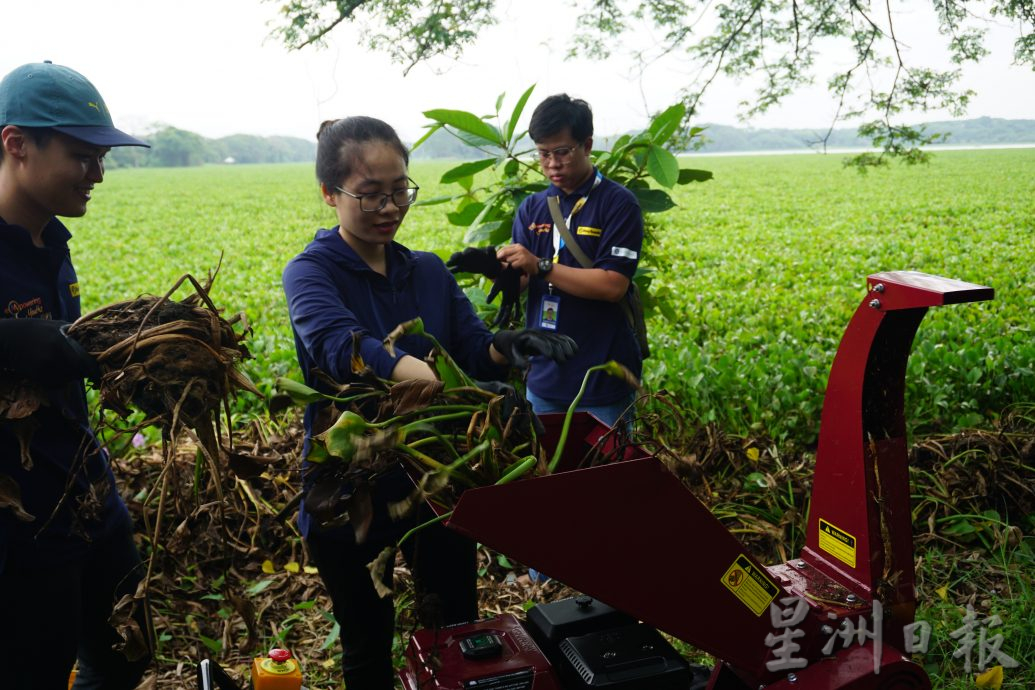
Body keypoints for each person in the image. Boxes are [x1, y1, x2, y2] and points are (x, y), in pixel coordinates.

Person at [281, 116, 575, 689]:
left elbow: (470, 346)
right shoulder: (310, 273)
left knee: (457, 634)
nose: (390, 207)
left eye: (400, 190)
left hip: (436, 484)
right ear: (329, 194)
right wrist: (448, 389)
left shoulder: (429, 272)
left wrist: (507, 347)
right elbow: (348, 349)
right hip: (350, 493)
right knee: (367, 645)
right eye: (370, 195)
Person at [0, 61, 151, 689]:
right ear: (16, 144)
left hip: (92, 499)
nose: (97, 173)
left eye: (101, 156)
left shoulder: (51, 240)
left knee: (125, 656)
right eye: (82, 155)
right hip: (21, 531)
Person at [449, 94, 644, 428]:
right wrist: (497, 268)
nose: (552, 163)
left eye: (562, 152)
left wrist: (541, 265)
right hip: (543, 378)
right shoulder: (532, 208)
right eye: (543, 153)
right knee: (547, 470)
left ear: (586, 145)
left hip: (602, 376)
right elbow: (523, 278)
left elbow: (613, 285)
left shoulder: (618, 204)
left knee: (604, 473)